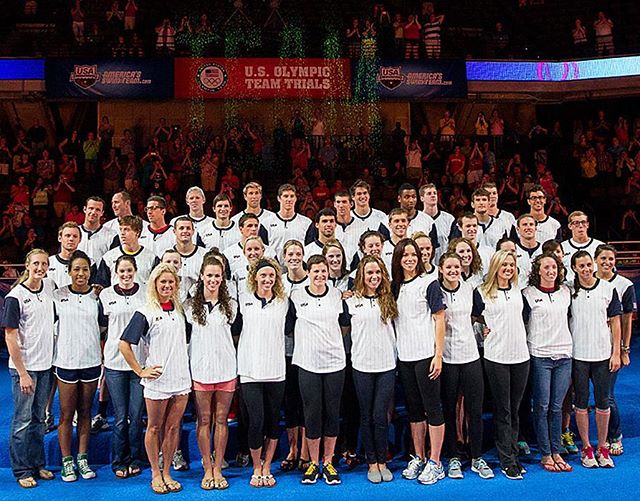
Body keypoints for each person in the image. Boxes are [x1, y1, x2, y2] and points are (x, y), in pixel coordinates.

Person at [120, 263, 191, 494]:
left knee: (172, 428)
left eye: (171, 282)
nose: (167, 286)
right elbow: (124, 344)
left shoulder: (180, 310)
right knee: (154, 427)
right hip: (157, 380)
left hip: (180, 378)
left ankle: (167, 471)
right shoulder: (146, 311)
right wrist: (140, 370)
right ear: (154, 284)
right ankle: (155, 473)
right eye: (163, 282)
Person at [391, 239, 448, 484]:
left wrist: (438, 355)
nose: (410, 259)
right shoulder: (394, 286)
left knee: (433, 408)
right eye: (405, 255)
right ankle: (419, 456)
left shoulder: (429, 283)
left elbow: (439, 319)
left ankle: (436, 462)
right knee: (414, 411)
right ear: (398, 259)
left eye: (413, 254)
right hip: (405, 357)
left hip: (426, 356)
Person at [289, 255, 346, 485]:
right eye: (316, 272)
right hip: (307, 364)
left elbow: (344, 325)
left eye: (324, 271)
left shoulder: (336, 295)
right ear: (308, 272)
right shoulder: (296, 296)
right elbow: (289, 327)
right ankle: (313, 463)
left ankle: (329, 462)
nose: (320, 275)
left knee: (332, 412)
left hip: (335, 364)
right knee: (312, 413)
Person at [473, 250, 530, 480]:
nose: (508, 268)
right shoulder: (482, 293)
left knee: (515, 410)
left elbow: (525, 317)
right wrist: (481, 328)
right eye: (504, 264)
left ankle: (514, 453)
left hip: (521, 357)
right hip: (496, 357)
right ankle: (507, 460)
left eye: (511, 264)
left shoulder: (519, 291)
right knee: (503, 410)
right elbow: (473, 316)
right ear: (495, 266)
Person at [2, 249, 56, 488]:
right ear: (27, 265)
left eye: (44, 264)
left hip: (45, 366)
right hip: (24, 369)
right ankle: (22, 469)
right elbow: (10, 336)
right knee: (22, 420)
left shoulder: (48, 288)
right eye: (36, 263)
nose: (40, 268)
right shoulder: (15, 296)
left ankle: (37, 464)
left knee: (39, 419)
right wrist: (23, 373)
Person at [438, 252, 493, 480]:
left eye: (456, 267)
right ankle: (452, 458)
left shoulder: (470, 288)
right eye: (448, 267)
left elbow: (479, 314)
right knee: (450, 411)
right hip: (448, 358)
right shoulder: (435, 290)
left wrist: (484, 326)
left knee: (474, 410)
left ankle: (477, 457)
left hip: (470, 357)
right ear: (440, 269)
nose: (453, 270)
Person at [343, 255, 398, 483]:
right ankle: (371, 462)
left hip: (386, 365)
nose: (374, 277)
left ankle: (383, 461)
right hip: (362, 365)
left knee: (380, 415)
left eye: (377, 273)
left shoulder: (389, 298)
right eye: (369, 273)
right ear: (361, 276)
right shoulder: (351, 301)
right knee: (366, 415)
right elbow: (342, 333)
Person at [234, 257, 288, 488]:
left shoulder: (284, 302)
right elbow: (236, 332)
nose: (267, 279)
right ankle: (257, 466)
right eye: (263, 275)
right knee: (256, 420)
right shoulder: (243, 300)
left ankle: (268, 466)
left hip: (276, 370)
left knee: (274, 420)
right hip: (250, 371)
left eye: (271, 276)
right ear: (254, 276)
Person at [185, 256, 237, 490]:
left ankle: (218, 467)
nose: (214, 279)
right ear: (202, 277)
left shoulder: (232, 305)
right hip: (201, 370)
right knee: (204, 419)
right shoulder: (189, 307)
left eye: (218, 276)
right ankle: (207, 467)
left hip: (226, 369)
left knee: (221, 419)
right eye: (210, 275)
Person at [569, 250, 622, 469]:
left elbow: (616, 322)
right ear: (574, 268)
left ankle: (602, 446)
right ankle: (586, 448)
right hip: (578, 356)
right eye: (580, 265)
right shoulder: (569, 291)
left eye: (588, 264)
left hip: (602, 356)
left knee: (603, 402)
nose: (586, 268)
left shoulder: (608, 289)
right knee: (580, 403)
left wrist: (617, 352)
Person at [53, 250, 101, 482]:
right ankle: (66, 460)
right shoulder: (57, 296)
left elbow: (104, 327)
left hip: (91, 361)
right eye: (76, 269)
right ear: (69, 272)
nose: (81, 273)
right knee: (65, 413)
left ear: (90, 272)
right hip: (66, 362)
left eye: (85, 269)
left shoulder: (97, 296)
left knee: (85, 412)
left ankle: (82, 457)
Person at [522, 254, 573, 473]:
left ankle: (557, 450)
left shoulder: (566, 293)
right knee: (541, 406)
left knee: (557, 406)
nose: (551, 270)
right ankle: (545, 454)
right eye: (546, 267)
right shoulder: (528, 294)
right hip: (540, 355)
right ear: (538, 270)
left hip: (564, 355)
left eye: (554, 267)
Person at [99, 255, 146, 478]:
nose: (126, 275)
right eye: (122, 271)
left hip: (139, 363)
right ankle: (119, 460)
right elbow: (101, 326)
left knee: (136, 415)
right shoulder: (106, 295)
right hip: (115, 362)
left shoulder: (146, 293)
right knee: (120, 416)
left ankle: (136, 458)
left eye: (129, 271)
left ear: (136, 271)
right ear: (115, 273)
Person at [593, 244, 637, 455]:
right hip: (585, 348)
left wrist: (623, 350)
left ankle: (614, 436)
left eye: (610, 259)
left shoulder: (624, 284)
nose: (607, 262)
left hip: (611, 349)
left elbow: (627, 319)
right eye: (603, 258)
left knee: (607, 396)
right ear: (595, 260)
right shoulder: (585, 280)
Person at [280, 241, 309, 472]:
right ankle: (292, 449)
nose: (294, 257)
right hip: (285, 351)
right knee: (291, 403)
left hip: (309, 351)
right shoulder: (278, 281)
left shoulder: (312, 280)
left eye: (298, 253)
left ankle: (306, 451)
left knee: (306, 402)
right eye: (290, 254)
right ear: (284, 256)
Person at [97, 215, 157, 286]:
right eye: (121, 229)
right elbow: (102, 285)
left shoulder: (152, 258)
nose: (122, 233)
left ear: (137, 232)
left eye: (126, 229)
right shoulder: (109, 257)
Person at [269, 184, 312, 260]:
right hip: (273, 269)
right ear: (279, 198)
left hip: (298, 267)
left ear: (296, 198)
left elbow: (310, 249)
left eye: (292, 196)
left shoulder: (306, 223)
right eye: (285, 196)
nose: (289, 199)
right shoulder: (267, 223)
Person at [561, 211, 604, 282]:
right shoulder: (562, 247)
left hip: (595, 287)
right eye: (576, 223)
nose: (581, 226)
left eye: (583, 222)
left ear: (587, 225)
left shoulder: (600, 246)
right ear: (570, 226)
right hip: (570, 288)